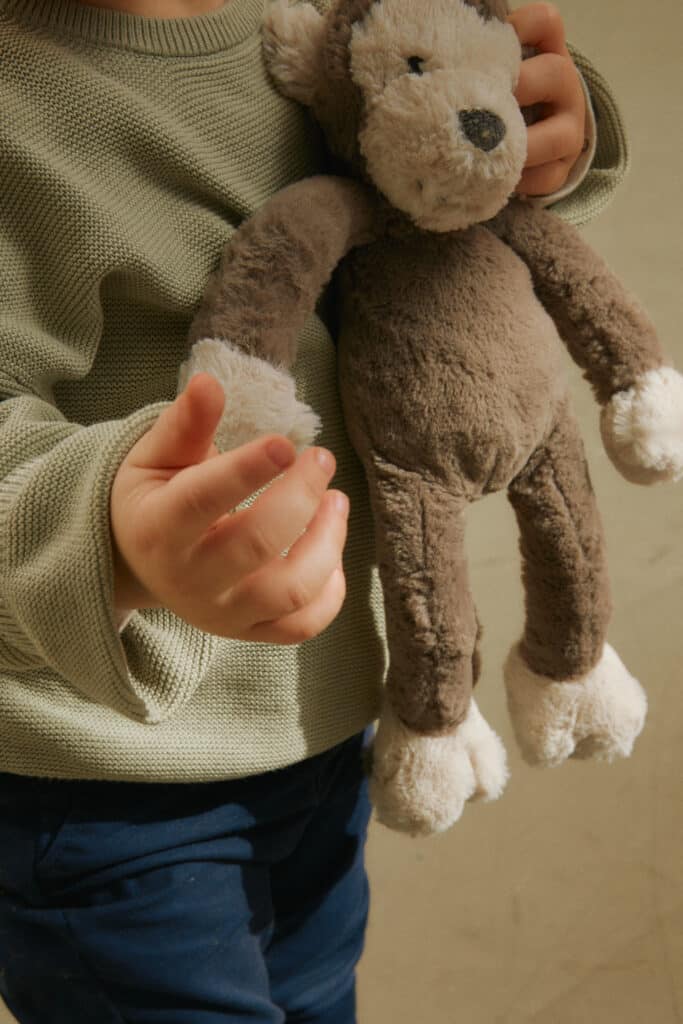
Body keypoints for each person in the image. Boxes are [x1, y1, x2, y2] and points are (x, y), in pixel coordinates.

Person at [0, 0, 629, 1021]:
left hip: (317, 734)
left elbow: (424, 163)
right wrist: (111, 540)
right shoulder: (24, 100)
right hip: (107, 781)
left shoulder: (320, 19)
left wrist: (558, 137)